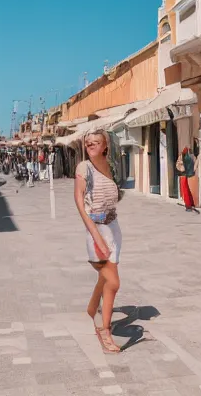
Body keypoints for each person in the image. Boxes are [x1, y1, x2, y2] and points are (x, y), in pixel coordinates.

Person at [74, 129, 123, 354]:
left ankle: (92, 309)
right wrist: (96, 235)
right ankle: (105, 330)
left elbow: (117, 195)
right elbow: (79, 203)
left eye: (95, 142)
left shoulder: (112, 167)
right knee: (113, 282)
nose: (90, 146)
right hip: (95, 229)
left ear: (105, 146)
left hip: (113, 227)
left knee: (105, 279)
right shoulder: (84, 168)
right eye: (87, 143)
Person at [176, 146, 198, 212]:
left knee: (185, 190)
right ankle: (191, 204)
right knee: (187, 190)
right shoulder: (191, 157)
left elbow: (179, 165)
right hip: (189, 174)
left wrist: (180, 163)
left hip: (184, 174)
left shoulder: (184, 156)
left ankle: (188, 206)